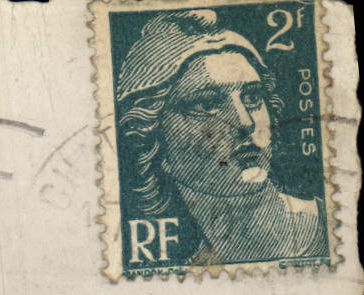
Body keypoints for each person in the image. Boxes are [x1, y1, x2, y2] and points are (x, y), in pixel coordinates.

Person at [116, 9, 325, 265]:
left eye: (252, 97)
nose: (244, 122)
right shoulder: (180, 273)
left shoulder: (328, 228)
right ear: (151, 137)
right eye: (207, 104)